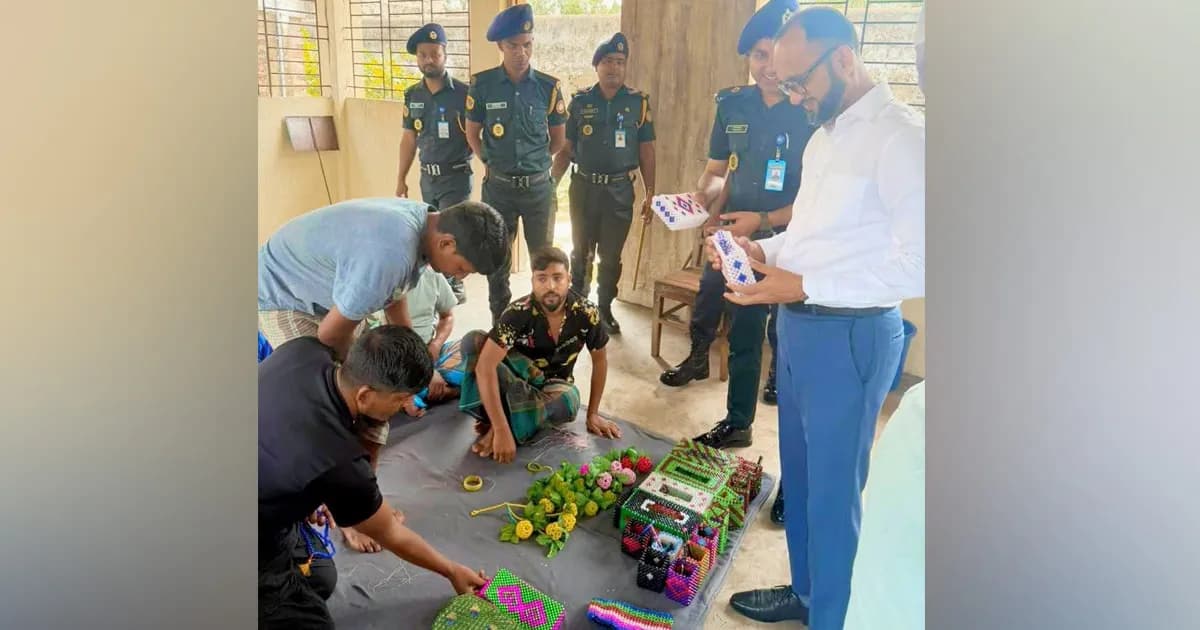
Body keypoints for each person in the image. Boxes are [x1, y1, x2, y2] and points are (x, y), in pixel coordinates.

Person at [719, 8, 925, 629]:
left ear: (841, 59)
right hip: (802, 328)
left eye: (797, 80)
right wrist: (763, 254)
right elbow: (810, 237)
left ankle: (832, 616)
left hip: (852, 336)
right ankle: (807, 593)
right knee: (802, 481)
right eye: (782, 82)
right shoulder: (823, 135)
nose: (790, 94)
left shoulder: (901, 138)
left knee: (836, 495)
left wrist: (803, 281)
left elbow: (920, 264)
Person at [258, 197, 506, 551]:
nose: (460, 276)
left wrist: (414, 365)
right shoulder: (389, 251)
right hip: (284, 295)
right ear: (446, 243)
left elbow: (394, 292)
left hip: (327, 296)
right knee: (335, 413)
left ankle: (363, 500)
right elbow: (327, 343)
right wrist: (357, 383)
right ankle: (346, 514)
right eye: (463, 267)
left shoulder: (424, 224)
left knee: (379, 399)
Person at [661, 0, 815, 459]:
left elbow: (818, 196)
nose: (768, 68)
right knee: (744, 328)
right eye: (758, 57)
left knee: (790, 344)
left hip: (793, 238)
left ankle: (794, 443)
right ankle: (738, 423)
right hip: (735, 236)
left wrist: (765, 222)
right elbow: (716, 170)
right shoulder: (732, 105)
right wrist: (701, 201)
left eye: (774, 55)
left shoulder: (807, 108)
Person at [258, 326, 487, 629]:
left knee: (321, 578)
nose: (404, 407)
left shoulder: (304, 350)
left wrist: (307, 488)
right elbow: (390, 532)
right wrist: (451, 570)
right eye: (400, 400)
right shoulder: (341, 461)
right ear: (365, 395)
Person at [458, 246, 621, 464]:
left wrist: (592, 414)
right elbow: (486, 367)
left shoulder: (586, 313)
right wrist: (501, 428)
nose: (550, 286)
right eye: (542, 278)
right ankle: (508, 422)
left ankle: (506, 416)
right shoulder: (517, 313)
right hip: (518, 375)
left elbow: (600, 361)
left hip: (552, 387)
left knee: (568, 401)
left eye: (557, 277)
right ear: (533, 280)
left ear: (569, 279)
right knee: (474, 341)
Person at [465, 3, 568, 324]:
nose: (521, 53)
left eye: (527, 45)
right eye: (513, 46)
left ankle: (540, 322)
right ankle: (501, 322)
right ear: (500, 46)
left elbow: (558, 140)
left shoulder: (548, 88)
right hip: (499, 190)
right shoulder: (482, 86)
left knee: (543, 261)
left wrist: (534, 166)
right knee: (498, 261)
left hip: (538, 190)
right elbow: (473, 134)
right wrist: (493, 162)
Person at [550, 32, 657, 335]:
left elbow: (647, 151)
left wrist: (651, 193)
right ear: (597, 66)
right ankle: (579, 305)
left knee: (610, 255)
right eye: (608, 61)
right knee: (581, 251)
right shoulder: (581, 101)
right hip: (583, 188)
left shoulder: (639, 103)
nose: (614, 68)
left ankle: (605, 308)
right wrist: (550, 185)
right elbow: (567, 149)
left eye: (620, 62)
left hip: (620, 191)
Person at [396, 22, 472, 304]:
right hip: (427, 176)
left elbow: (476, 135)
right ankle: (438, 284)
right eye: (423, 54)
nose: (429, 59)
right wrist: (400, 178)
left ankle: (456, 280)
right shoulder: (412, 95)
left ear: (445, 54)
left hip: (456, 174)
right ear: (417, 58)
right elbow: (408, 139)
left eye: (435, 53)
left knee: (453, 231)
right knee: (433, 232)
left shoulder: (464, 93)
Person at [396, 265, 466, 417]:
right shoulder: (384, 281)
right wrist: (428, 370)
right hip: (398, 358)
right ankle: (456, 390)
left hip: (432, 352)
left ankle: (429, 390)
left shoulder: (431, 273)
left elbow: (447, 316)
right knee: (388, 383)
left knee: (478, 348)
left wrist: (436, 344)